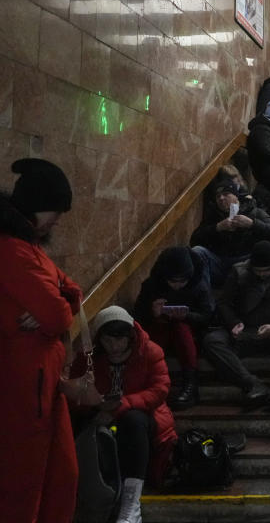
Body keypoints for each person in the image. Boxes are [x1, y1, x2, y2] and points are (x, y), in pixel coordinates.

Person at [0, 159, 80, 523]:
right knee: (25, 484)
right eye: (56, 211)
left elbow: (72, 293)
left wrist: (60, 300)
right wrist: (59, 304)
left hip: (45, 379)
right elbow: (60, 315)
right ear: (35, 204)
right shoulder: (13, 251)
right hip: (24, 383)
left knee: (61, 476)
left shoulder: (30, 248)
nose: (58, 221)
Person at [74, 306, 178, 523]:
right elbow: (75, 393)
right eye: (108, 340)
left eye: (119, 340)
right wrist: (94, 405)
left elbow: (159, 390)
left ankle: (132, 503)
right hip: (101, 415)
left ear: (130, 337)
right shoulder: (89, 358)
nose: (114, 346)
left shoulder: (150, 351)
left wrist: (120, 406)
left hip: (144, 417)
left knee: (133, 420)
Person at [203, 241, 270, 413]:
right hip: (245, 331)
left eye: (267, 270)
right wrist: (233, 322)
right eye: (258, 270)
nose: (262, 274)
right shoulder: (238, 271)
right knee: (212, 341)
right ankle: (253, 385)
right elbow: (224, 303)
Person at [133, 247, 214, 410]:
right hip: (159, 331)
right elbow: (137, 317)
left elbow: (207, 317)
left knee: (180, 327)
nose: (177, 286)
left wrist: (186, 315)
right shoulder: (152, 285)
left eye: (182, 282)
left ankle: (190, 383)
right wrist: (153, 312)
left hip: (188, 334)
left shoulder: (198, 286)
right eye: (173, 281)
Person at [190, 176, 270, 287]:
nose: (221, 199)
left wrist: (252, 224)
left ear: (236, 196)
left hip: (245, 264)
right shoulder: (213, 215)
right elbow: (194, 240)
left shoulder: (254, 212)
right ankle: (204, 298)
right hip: (219, 262)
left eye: (226, 194)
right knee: (198, 251)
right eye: (218, 196)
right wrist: (217, 227)